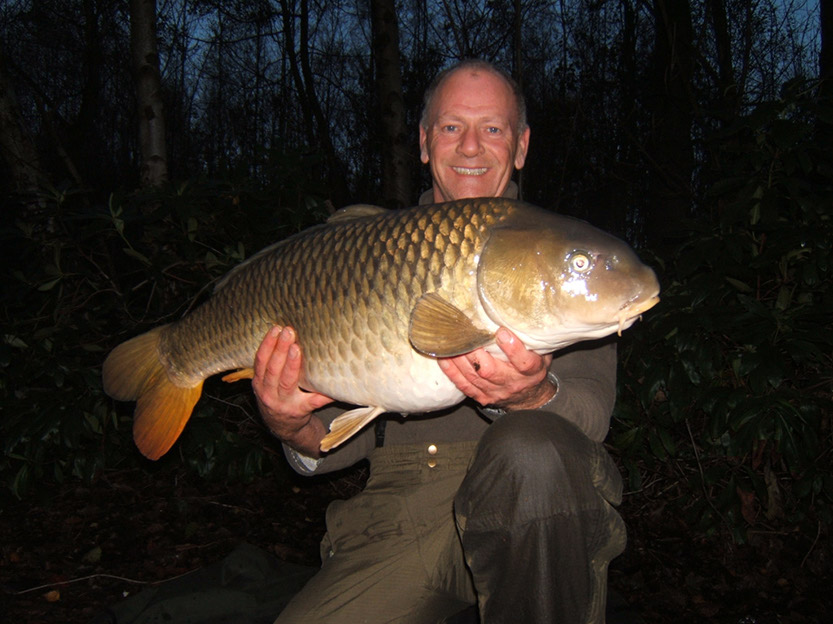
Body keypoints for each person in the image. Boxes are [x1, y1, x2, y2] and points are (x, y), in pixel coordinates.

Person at [254, 59, 626, 624]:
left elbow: (592, 418)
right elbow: (337, 442)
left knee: (531, 453)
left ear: (522, 146)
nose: (472, 147)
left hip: (537, 507)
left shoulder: (554, 258)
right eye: (452, 127)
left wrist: (530, 397)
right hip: (402, 513)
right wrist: (290, 424)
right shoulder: (363, 255)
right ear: (425, 144)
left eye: (493, 129)